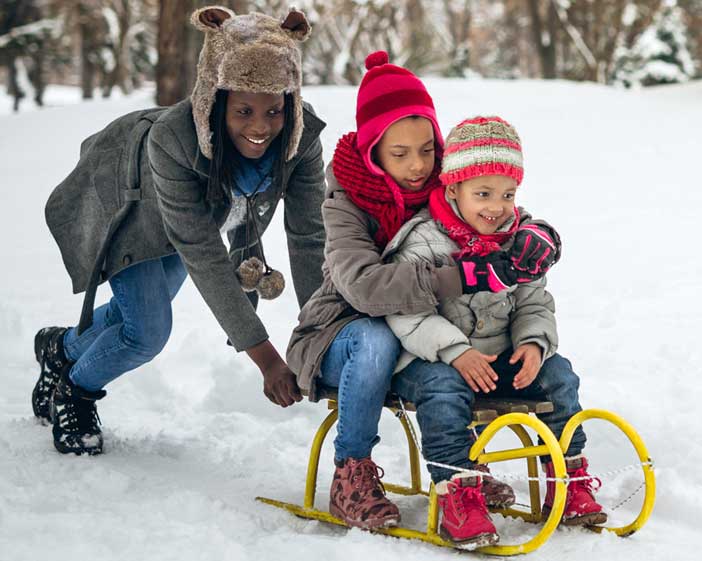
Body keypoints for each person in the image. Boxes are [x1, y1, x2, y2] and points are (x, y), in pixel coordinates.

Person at [285, 52, 562, 531]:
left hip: (425, 336)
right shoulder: (344, 203)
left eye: (427, 150)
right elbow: (367, 289)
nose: (417, 166)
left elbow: (492, 197)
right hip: (341, 334)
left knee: (450, 352)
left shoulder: (445, 184)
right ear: (374, 150)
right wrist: (469, 274)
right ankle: (351, 472)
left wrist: (539, 234)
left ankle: (465, 467)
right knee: (378, 337)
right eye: (400, 154)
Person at [33, 6, 324, 456]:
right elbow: (203, 254)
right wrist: (266, 359)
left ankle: (60, 348)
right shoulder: (174, 141)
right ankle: (74, 390)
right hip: (133, 211)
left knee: (137, 313)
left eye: (275, 109)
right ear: (216, 99)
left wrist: (321, 333)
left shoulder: (299, 139)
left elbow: (308, 237)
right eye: (243, 109)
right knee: (145, 332)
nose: (261, 126)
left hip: (192, 219)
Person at [385, 116, 605, 549]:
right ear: (454, 190)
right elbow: (405, 313)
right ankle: (458, 492)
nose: (496, 207)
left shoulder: (517, 239)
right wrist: (454, 350)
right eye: (482, 194)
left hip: (498, 359)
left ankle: (568, 477)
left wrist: (532, 343)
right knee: (443, 390)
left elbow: (533, 300)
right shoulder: (423, 242)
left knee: (559, 374)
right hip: (431, 361)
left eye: (507, 195)